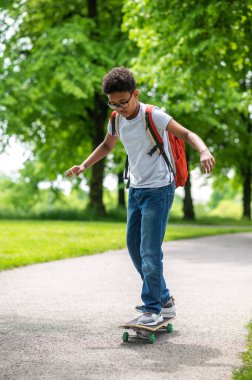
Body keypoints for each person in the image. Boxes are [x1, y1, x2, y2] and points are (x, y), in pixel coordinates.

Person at [66, 67, 215, 326]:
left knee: (149, 250)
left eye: (124, 102)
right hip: (135, 189)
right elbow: (107, 145)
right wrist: (84, 165)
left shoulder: (153, 116)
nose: (120, 108)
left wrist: (203, 151)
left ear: (135, 94)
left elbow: (187, 134)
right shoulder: (115, 119)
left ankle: (152, 308)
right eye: (114, 103)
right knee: (134, 248)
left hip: (159, 190)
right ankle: (165, 299)